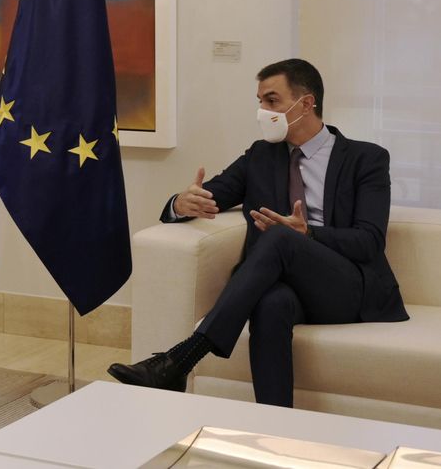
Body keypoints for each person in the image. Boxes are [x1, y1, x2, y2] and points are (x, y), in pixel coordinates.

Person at [108, 59, 409, 407]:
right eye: (260, 101)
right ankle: (274, 428)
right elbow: (211, 195)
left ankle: (182, 358)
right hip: (287, 287)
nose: (262, 111)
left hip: (346, 286)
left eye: (272, 100)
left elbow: (370, 240)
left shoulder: (366, 159)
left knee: (282, 236)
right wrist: (181, 202)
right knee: (270, 304)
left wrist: (308, 233)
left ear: (306, 103)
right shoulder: (260, 156)